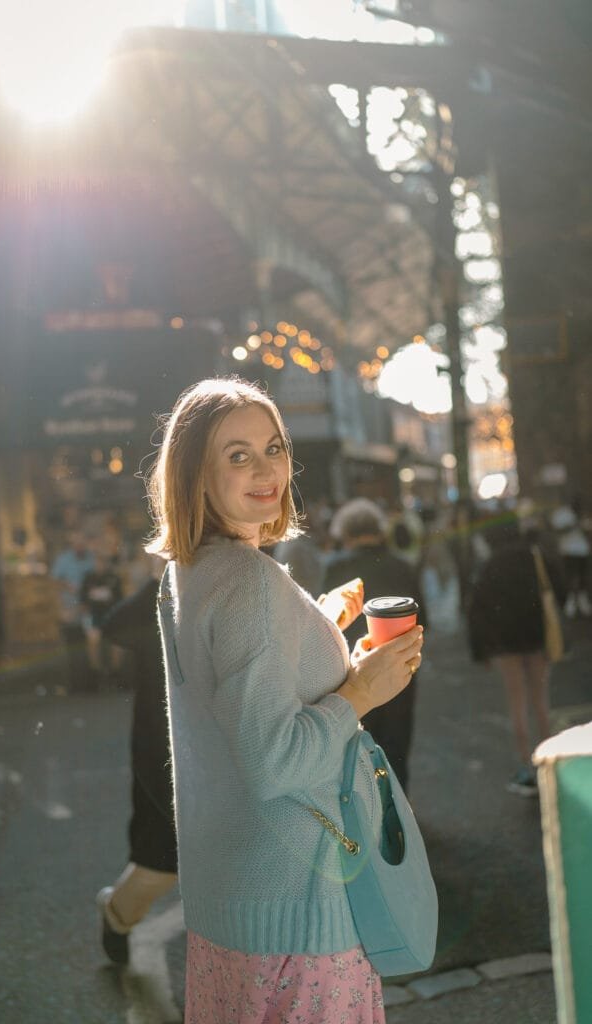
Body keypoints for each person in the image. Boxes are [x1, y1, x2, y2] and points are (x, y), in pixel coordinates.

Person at [145, 377, 424, 1022]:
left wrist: (317, 625)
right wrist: (360, 691)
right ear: (194, 473)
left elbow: (232, 690)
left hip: (231, 902)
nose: (267, 470)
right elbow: (274, 759)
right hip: (296, 910)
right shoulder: (247, 581)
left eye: (274, 448)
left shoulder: (188, 572)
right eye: (237, 455)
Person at [95, 556, 178, 965]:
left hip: (221, 742)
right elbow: (113, 625)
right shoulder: (160, 594)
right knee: (161, 860)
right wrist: (156, 578)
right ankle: (117, 916)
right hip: (161, 748)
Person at [324, 498, 428, 792]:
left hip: (349, 670)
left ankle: (366, 816)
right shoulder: (401, 565)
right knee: (396, 744)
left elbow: (325, 623)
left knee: (357, 748)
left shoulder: (336, 568)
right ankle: (399, 813)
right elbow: (424, 618)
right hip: (402, 665)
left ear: (344, 533)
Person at [466, 513, 566, 796]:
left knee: (517, 701)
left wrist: (480, 650)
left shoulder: (489, 564)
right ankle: (549, 763)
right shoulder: (534, 555)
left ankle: (527, 767)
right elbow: (560, 588)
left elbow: (477, 609)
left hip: (504, 643)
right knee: (540, 700)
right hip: (536, 636)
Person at [51, 532, 95, 692]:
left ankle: (89, 683)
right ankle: (73, 685)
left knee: (88, 645)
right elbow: (55, 581)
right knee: (72, 646)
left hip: (87, 607)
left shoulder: (91, 558)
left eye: (83, 543)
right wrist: (68, 587)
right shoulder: (64, 559)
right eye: (77, 544)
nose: (80, 547)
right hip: (70, 607)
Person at [79, 549, 124, 684]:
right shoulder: (88, 578)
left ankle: (116, 673)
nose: (101, 564)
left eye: (103, 562)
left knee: (117, 643)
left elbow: (120, 600)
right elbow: (83, 601)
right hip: (93, 616)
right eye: (98, 561)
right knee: (93, 640)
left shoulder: (114, 579)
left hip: (111, 616)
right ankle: (96, 673)